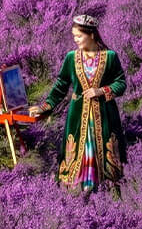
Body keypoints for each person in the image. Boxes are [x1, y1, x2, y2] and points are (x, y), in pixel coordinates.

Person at [29, 14, 127, 193]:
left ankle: (107, 191)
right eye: (74, 36)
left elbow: (121, 83)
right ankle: (81, 191)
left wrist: (101, 91)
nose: (76, 40)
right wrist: (45, 107)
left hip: (104, 115)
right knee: (76, 153)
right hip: (78, 116)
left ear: (91, 34)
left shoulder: (110, 57)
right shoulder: (71, 58)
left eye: (79, 36)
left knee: (106, 154)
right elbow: (60, 86)